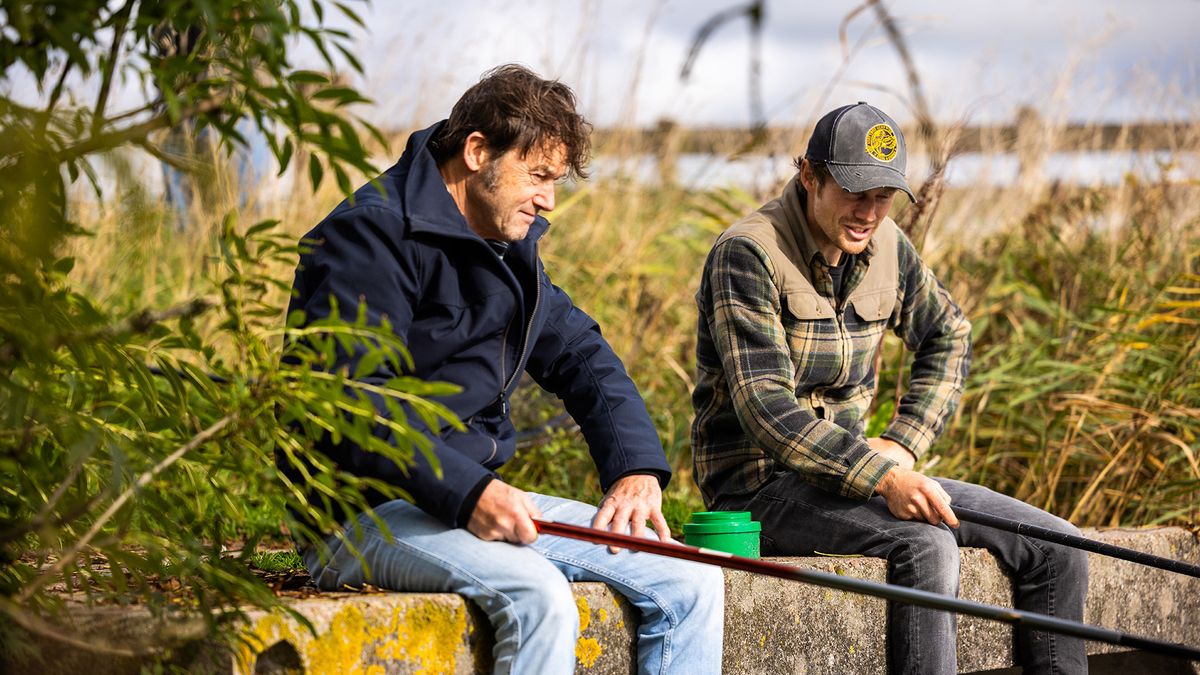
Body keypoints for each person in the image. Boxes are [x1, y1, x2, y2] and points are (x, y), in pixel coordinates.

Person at [286, 64, 724, 675]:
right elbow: (355, 405)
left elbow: (582, 355)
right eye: (538, 175)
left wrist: (635, 470)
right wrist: (466, 491)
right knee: (538, 594)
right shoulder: (369, 237)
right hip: (361, 513)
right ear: (475, 152)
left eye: (556, 180)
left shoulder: (509, 246)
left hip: (467, 497)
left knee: (689, 577)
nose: (548, 198)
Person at [691, 102, 1087, 675]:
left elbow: (949, 335)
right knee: (926, 546)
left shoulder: (888, 245)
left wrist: (902, 445)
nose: (869, 213)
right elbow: (766, 409)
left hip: (860, 480)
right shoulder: (748, 253)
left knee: (1058, 546)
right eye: (855, 193)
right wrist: (884, 477)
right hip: (758, 490)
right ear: (809, 176)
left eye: (883, 196)